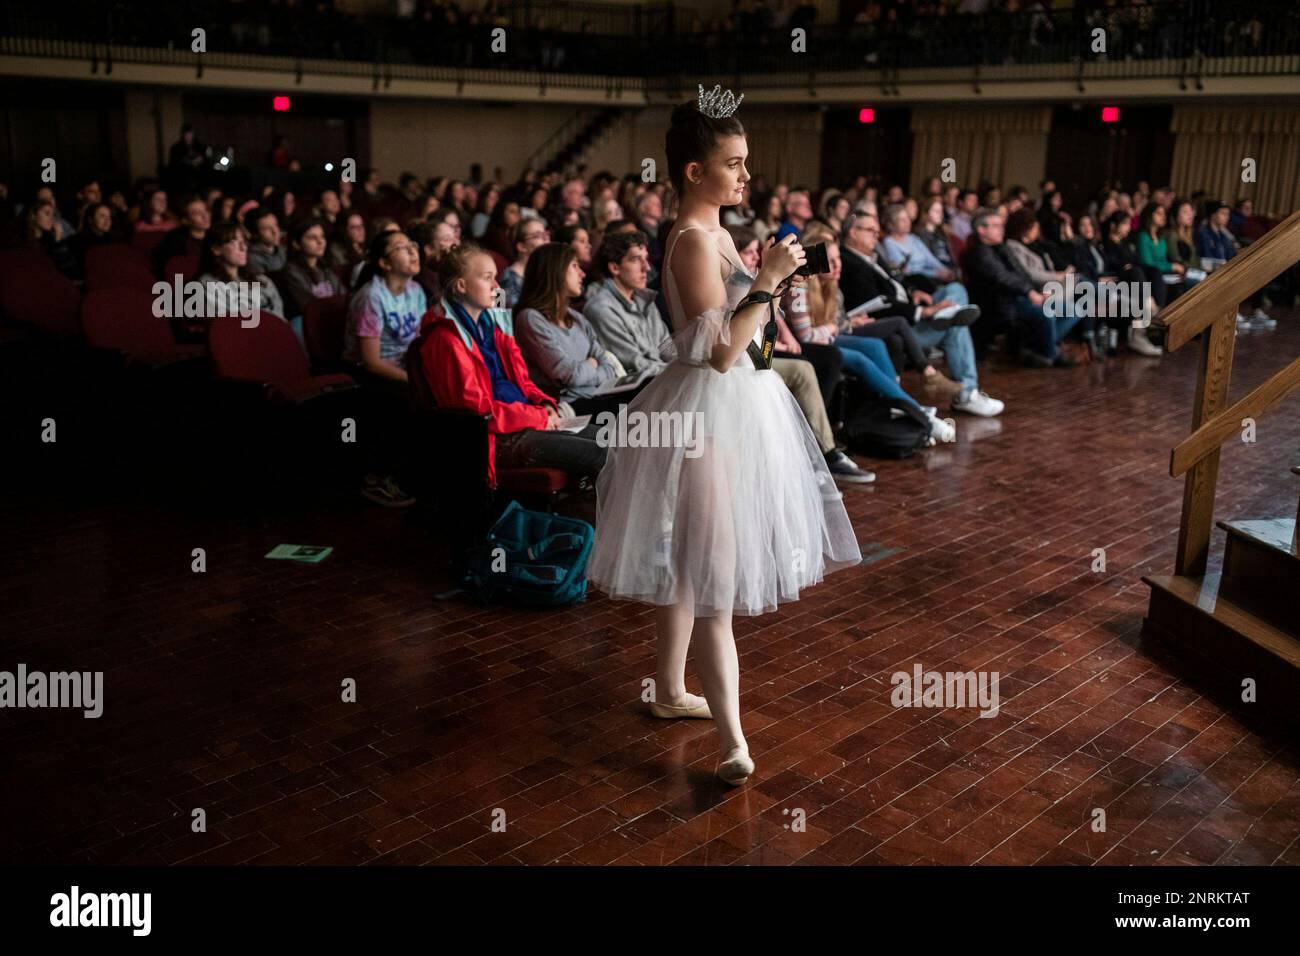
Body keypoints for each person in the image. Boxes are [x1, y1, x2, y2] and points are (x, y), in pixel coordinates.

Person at [585, 93, 863, 787]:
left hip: (738, 405)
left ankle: (672, 690)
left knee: (692, 561)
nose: (745, 177)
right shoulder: (687, 239)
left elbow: (751, 333)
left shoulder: (713, 237)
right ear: (691, 171)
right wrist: (765, 282)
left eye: (745, 163)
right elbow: (717, 352)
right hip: (704, 409)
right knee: (712, 570)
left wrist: (778, 278)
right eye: (732, 164)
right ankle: (733, 741)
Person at [412, 242, 607, 491]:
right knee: (603, 453)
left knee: (614, 440)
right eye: (487, 278)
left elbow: (522, 381)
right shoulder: (445, 340)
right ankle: (612, 527)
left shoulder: (496, 326)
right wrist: (535, 416)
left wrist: (544, 404)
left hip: (524, 421)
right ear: (461, 285)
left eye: (495, 277)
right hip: (497, 439)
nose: (496, 286)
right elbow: (478, 413)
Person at [783, 221, 958, 442]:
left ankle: (899, 405)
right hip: (808, 347)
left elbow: (835, 326)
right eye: (832, 260)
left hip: (828, 339)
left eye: (839, 259)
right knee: (860, 357)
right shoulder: (800, 287)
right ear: (816, 260)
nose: (838, 266)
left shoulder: (829, 285)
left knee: (876, 345)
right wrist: (836, 327)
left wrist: (837, 327)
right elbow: (807, 337)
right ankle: (918, 414)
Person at [842, 211, 1003, 416]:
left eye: (876, 229)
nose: (876, 234)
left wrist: (913, 292)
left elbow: (895, 283)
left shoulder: (872, 256)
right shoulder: (849, 262)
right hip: (898, 326)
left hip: (910, 312)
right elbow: (877, 303)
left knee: (955, 289)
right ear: (852, 233)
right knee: (956, 325)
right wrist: (923, 311)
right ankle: (966, 393)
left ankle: (947, 317)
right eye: (870, 230)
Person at [342, 230, 427, 507]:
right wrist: (414, 379)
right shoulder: (371, 297)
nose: (413, 252)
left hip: (404, 366)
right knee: (407, 397)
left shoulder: (416, 290)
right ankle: (378, 478)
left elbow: (420, 342)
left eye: (413, 245)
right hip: (367, 372)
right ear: (385, 263)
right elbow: (371, 361)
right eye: (402, 248)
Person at [513, 242, 628, 414]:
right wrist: (592, 364)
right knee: (643, 416)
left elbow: (609, 368)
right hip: (570, 406)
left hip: (600, 395)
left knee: (652, 400)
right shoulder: (530, 318)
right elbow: (571, 376)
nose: (582, 273)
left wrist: (587, 369)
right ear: (555, 271)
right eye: (575, 266)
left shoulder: (577, 317)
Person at [583, 229, 669, 377]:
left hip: (662, 377)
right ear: (614, 268)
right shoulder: (600, 309)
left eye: (646, 259)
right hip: (636, 391)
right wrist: (676, 372)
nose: (646, 268)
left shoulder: (645, 299)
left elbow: (667, 348)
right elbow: (635, 363)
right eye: (636, 260)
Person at [195, 222, 287, 324]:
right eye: (234, 242)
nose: (243, 248)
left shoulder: (261, 279)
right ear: (217, 249)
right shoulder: (208, 284)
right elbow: (234, 322)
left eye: (244, 242)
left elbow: (280, 317)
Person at [282, 218, 346, 317]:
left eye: (322, 236)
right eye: (312, 238)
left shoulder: (325, 269)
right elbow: (309, 305)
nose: (320, 241)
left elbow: (343, 297)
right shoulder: (291, 271)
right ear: (296, 244)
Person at [499, 218, 548, 309]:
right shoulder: (507, 278)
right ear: (522, 246)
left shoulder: (543, 274)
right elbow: (499, 311)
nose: (546, 239)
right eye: (538, 235)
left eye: (545, 234)